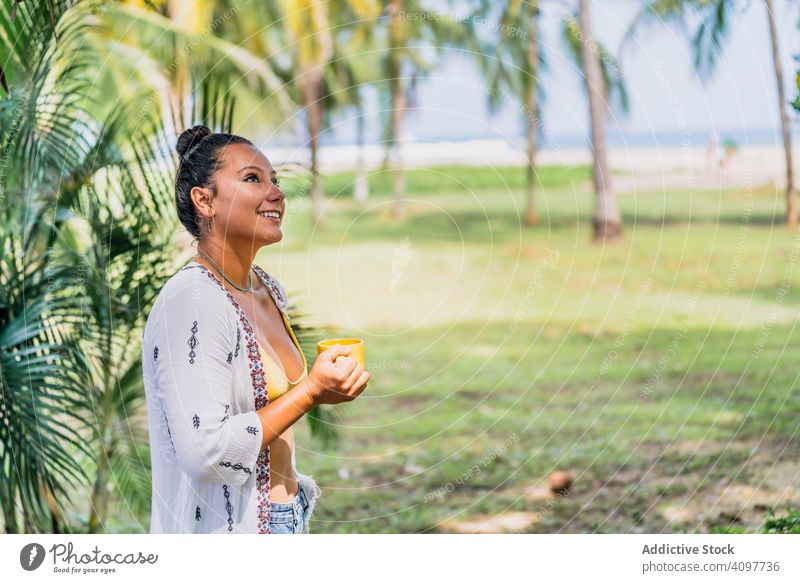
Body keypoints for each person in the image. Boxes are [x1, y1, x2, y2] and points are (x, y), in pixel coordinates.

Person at [141, 125, 370, 533]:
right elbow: (205, 452)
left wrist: (326, 387)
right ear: (204, 200)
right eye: (253, 179)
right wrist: (311, 391)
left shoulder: (266, 288)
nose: (277, 194)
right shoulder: (193, 302)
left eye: (275, 180)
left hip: (287, 514)